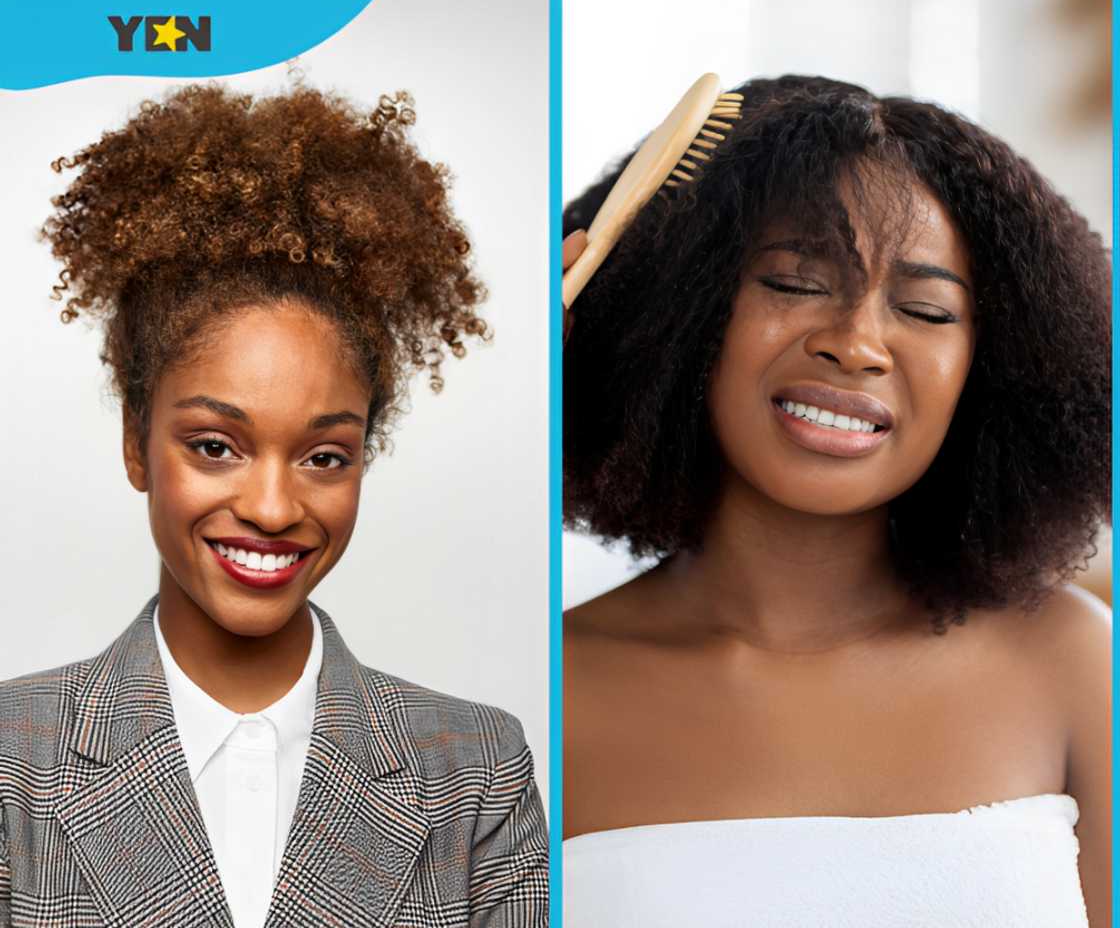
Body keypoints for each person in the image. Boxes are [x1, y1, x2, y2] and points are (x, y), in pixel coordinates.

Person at [562, 75, 1110, 927]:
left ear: (993, 369)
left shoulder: (1074, 660)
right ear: (678, 313)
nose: (856, 344)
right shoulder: (546, 692)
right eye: (792, 283)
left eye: (926, 310)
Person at [0, 83, 547, 927]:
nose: (270, 506)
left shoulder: (477, 771)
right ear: (134, 441)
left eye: (324, 456)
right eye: (215, 446)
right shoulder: (13, 760)